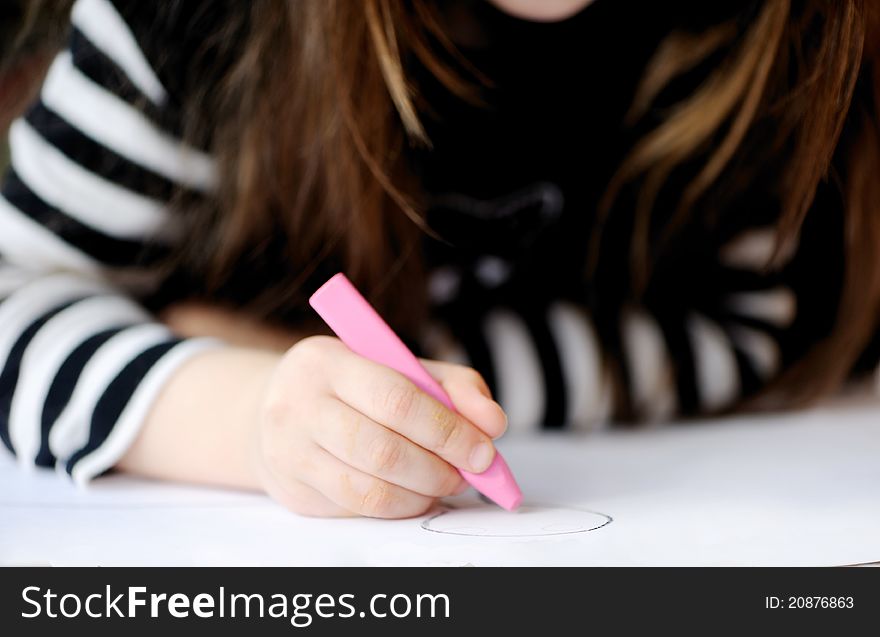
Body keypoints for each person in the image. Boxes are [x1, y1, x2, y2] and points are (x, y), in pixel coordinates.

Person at [2, 0, 878, 518]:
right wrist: (249, 413)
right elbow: (14, 297)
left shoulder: (760, 31)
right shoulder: (196, 21)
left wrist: (396, 377)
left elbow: (752, 328)